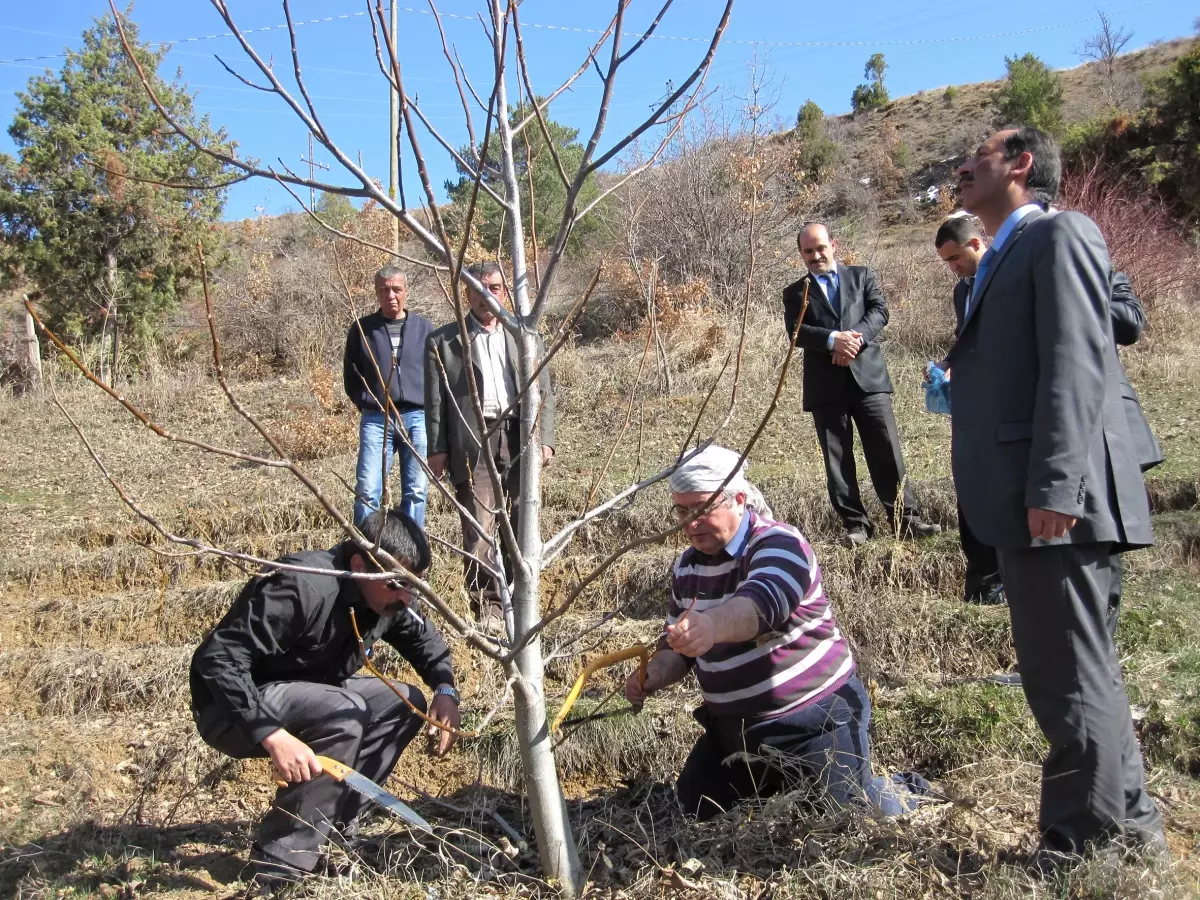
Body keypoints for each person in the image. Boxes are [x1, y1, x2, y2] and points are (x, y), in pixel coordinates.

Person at [949, 125, 1164, 866]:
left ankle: (1083, 846)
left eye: (980, 152)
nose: (964, 165)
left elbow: (1077, 365)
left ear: (1021, 163)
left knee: (1065, 676)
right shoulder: (997, 255)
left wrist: (1056, 486)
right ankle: (1129, 830)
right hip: (1027, 497)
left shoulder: (1059, 235)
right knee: (1080, 668)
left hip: (1053, 502)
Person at [624, 445, 929, 820]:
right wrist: (656, 672)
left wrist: (712, 624)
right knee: (698, 804)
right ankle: (782, 788)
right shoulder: (687, 566)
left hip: (813, 722)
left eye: (702, 509)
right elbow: (679, 648)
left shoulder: (780, 543)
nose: (691, 523)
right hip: (734, 733)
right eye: (682, 511)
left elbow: (761, 605)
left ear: (738, 499)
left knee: (846, 815)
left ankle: (905, 790)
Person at [189, 509, 462, 887]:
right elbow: (219, 660)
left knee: (405, 702)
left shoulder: (390, 596)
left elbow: (425, 643)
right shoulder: (302, 585)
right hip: (230, 710)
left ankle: (332, 831)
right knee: (344, 712)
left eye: (413, 585)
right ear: (358, 564)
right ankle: (281, 862)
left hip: (314, 696)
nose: (406, 597)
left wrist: (445, 691)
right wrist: (272, 733)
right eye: (397, 584)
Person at [934, 220, 1164, 617]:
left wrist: (1069, 297)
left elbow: (1129, 323)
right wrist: (953, 365)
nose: (953, 267)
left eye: (955, 258)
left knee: (1097, 541)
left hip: (1102, 426)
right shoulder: (972, 290)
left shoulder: (1089, 270)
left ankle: (1094, 647)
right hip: (1019, 426)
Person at [782, 223, 940, 546]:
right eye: (808, 251)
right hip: (826, 389)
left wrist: (853, 340)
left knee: (886, 451)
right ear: (801, 254)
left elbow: (879, 311)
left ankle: (907, 521)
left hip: (868, 379)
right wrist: (831, 340)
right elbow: (796, 332)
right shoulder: (795, 293)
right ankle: (856, 527)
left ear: (833, 245)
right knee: (838, 461)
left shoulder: (861, 276)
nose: (816, 255)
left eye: (820, 248)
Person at [424, 261, 555, 628]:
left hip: (519, 438)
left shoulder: (524, 335)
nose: (487, 296)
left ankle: (521, 600)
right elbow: (435, 403)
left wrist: (544, 441)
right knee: (479, 528)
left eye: (495, 288)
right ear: (466, 292)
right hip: (472, 442)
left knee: (521, 522)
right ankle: (490, 610)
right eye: (479, 289)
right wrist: (438, 449)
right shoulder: (443, 341)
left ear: (505, 291)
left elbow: (545, 392)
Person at [933, 215, 1007, 605]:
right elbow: (966, 338)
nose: (953, 268)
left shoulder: (1008, 275)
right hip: (970, 407)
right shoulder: (963, 291)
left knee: (1001, 489)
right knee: (969, 485)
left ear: (976, 244)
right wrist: (945, 366)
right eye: (947, 262)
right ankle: (981, 580)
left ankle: (1005, 578)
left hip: (1006, 405)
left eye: (955, 258)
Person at [344, 266, 435, 526]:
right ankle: (366, 552)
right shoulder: (362, 329)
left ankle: (411, 553)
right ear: (376, 293)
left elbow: (436, 375)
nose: (390, 295)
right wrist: (366, 402)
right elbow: (351, 375)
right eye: (384, 290)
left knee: (416, 491)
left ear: (406, 291)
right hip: (376, 418)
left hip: (417, 417)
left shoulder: (425, 328)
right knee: (367, 490)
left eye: (396, 289)